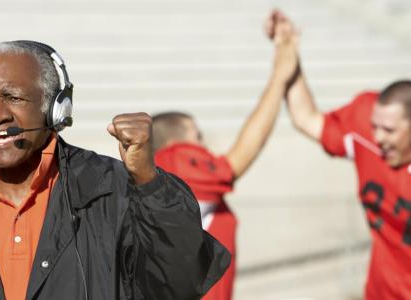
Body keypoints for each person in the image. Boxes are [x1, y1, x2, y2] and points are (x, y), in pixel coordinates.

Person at [0, 40, 231, 300]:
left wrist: (147, 180)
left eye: (12, 97)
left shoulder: (111, 190)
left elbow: (180, 282)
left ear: (55, 108)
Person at [267, 10, 411, 300]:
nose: (379, 137)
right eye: (375, 127)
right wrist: (288, 53)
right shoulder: (367, 130)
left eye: (389, 130)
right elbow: (306, 118)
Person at [152, 17, 299, 300]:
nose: (203, 145)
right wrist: (278, 79)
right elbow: (238, 160)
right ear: (174, 143)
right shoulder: (172, 163)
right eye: (197, 136)